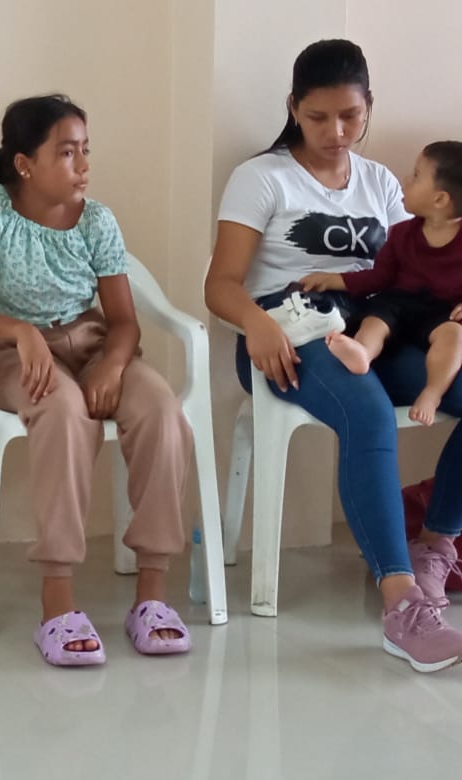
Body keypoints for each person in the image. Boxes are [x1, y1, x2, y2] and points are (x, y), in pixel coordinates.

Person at [205, 39, 462, 673]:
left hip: (374, 325)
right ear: (293, 107)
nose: (336, 132)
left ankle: (436, 544)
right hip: (286, 332)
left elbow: (412, 272)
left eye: (351, 116)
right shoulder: (261, 177)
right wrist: (257, 324)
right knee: (367, 412)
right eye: (318, 117)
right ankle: (402, 607)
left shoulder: (380, 182)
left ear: (369, 105)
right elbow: (220, 284)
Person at [0, 94, 193, 666]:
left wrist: (113, 365)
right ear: (25, 163)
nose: (83, 165)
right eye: (67, 152)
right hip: (21, 355)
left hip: (97, 346)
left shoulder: (97, 220)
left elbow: (123, 321)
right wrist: (20, 332)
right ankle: (57, 604)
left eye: (85, 150)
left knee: (161, 411)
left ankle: (152, 597)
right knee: (63, 412)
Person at [301, 141, 462, 425]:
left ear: (440, 200)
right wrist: (334, 280)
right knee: (374, 322)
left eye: (416, 176)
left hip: (441, 312)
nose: (405, 180)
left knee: (454, 337)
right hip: (397, 302)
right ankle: (362, 353)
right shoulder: (401, 233)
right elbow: (379, 277)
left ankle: (432, 392)